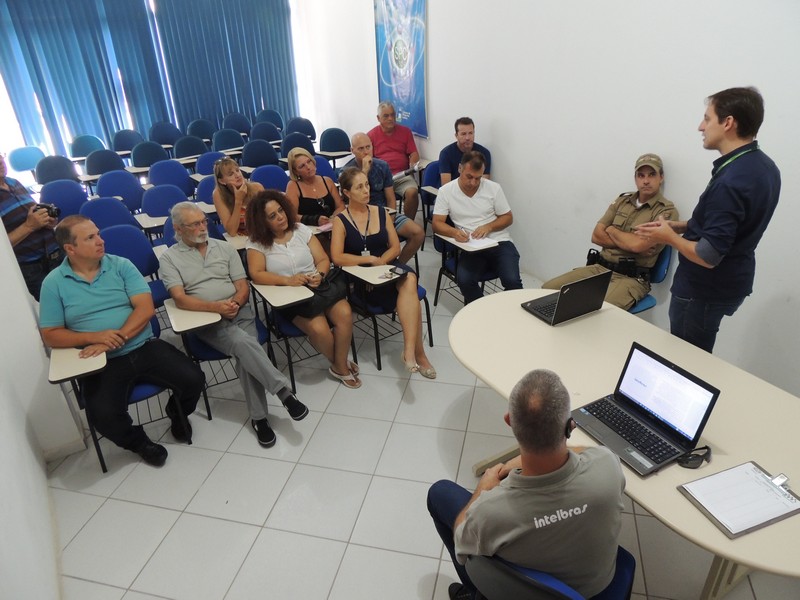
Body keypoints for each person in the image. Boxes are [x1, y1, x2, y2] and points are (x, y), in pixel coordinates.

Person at [427, 369, 625, 600]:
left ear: (509, 421)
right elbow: (590, 453)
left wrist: (483, 488)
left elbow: (462, 539)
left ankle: (474, 591)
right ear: (571, 426)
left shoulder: (490, 511)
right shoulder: (608, 465)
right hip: (600, 588)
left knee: (438, 494)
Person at [39, 215, 204, 467]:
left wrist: (113, 340)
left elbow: (145, 309)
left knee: (194, 379)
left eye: (98, 233)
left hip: (142, 345)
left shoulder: (120, 265)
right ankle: (139, 442)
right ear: (70, 249)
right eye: (90, 237)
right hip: (99, 362)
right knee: (103, 416)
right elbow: (50, 333)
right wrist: (94, 338)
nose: (100, 241)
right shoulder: (53, 283)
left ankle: (176, 413)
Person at [636, 87, 780, 352]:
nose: (700, 127)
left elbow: (708, 255)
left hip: (701, 291)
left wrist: (668, 237)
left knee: (686, 362)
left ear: (728, 123)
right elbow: (729, 226)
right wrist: (679, 226)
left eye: (707, 118)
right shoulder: (764, 167)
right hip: (733, 282)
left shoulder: (731, 181)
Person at [159, 202, 308, 449]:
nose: (202, 227)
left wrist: (235, 303)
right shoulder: (169, 258)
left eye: (204, 221)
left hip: (240, 311)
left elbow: (242, 285)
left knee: (244, 354)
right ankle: (283, 394)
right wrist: (217, 308)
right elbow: (180, 298)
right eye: (195, 224)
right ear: (178, 228)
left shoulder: (223, 248)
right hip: (208, 320)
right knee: (243, 343)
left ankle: (260, 419)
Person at [246, 190, 362, 389]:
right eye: (272, 216)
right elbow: (256, 274)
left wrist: (321, 274)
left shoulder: (300, 229)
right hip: (289, 295)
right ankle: (340, 364)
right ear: (262, 222)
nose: (280, 217)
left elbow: (323, 259)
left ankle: (339, 364)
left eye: (281, 210)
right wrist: (287, 280)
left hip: (318, 286)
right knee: (320, 330)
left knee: (345, 314)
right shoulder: (257, 242)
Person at [331, 167, 436, 378]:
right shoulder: (340, 220)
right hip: (361, 278)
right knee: (412, 294)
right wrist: (368, 261)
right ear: (347, 192)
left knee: (410, 278)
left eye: (367, 185)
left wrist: (380, 262)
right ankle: (419, 354)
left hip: (386, 266)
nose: (366, 190)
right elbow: (338, 257)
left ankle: (410, 352)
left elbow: (395, 248)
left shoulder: (380, 212)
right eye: (359, 187)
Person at [542, 154, 678, 309]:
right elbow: (596, 235)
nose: (646, 180)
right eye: (641, 175)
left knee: (598, 311)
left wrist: (612, 229)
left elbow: (637, 246)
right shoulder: (622, 201)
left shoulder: (666, 211)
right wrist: (629, 242)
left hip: (631, 278)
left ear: (661, 177)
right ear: (635, 179)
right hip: (599, 268)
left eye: (652, 175)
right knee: (546, 290)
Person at [432, 151, 523, 304]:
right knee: (465, 280)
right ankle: (483, 312)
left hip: (499, 242)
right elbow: (437, 224)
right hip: (471, 247)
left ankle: (512, 316)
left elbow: (508, 217)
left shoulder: (493, 188)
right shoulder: (446, 191)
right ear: (460, 168)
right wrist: (454, 232)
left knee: (512, 281)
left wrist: (489, 226)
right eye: (469, 177)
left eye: (478, 178)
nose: (474, 182)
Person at [343, 132, 424, 264]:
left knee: (418, 233)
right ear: (352, 151)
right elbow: (350, 202)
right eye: (360, 149)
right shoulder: (346, 171)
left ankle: (398, 265)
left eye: (368, 147)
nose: (365, 152)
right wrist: (364, 171)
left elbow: (391, 198)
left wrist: (390, 222)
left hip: (384, 213)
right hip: (361, 216)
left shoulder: (382, 166)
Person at [0, 152, 63, 300]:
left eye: (1, 157)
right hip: (32, 268)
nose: (1, 162)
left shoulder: (14, 183)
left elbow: (33, 215)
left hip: (56, 255)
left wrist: (47, 221)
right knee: (56, 311)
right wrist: (29, 226)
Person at [367, 101, 420, 221]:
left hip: (402, 175)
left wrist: (413, 165)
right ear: (378, 118)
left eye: (393, 115)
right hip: (381, 177)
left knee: (412, 193)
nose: (391, 118)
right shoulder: (371, 135)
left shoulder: (405, 132)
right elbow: (368, 160)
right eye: (386, 116)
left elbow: (413, 153)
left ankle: (408, 223)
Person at [284, 147, 344, 227]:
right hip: (308, 230)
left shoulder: (327, 181)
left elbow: (340, 206)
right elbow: (291, 216)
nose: (308, 167)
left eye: (309, 162)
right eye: (302, 166)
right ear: (296, 172)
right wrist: (314, 220)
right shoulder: (293, 186)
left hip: (332, 226)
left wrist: (333, 218)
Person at [212, 157, 264, 237]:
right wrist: (238, 201)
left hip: (262, 234)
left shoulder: (257, 188)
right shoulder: (218, 195)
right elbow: (232, 231)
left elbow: (267, 219)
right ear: (222, 181)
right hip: (241, 238)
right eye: (230, 174)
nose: (237, 175)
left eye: (237, 170)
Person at [439, 117, 492, 185]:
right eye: (463, 134)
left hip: (476, 192)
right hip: (454, 192)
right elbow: (446, 185)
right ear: (456, 136)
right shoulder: (446, 153)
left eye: (470, 133)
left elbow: (483, 184)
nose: (467, 138)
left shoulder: (484, 153)